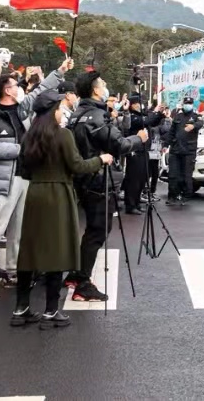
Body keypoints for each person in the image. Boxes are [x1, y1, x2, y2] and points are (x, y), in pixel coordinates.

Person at [12, 91, 113, 328]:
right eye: (59, 107)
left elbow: (24, 170)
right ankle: (50, 312)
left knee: (30, 250)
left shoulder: (29, 136)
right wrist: (102, 159)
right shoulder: (63, 135)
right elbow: (78, 166)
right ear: (52, 111)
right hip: (58, 194)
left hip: (35, 193)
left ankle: (21, 308)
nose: (62, 111)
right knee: (56, 251)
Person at [0, 59, 69, 295]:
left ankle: (13, 270)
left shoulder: (21, 109)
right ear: (7, 90)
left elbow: (40, 92)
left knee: (19, 228)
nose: (20, 88)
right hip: (2, 181)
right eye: (15, 85)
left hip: (23, 177)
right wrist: (21, 149)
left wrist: (60, 71)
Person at [66, 71, 147, 301]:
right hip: (99, 179)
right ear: (95, 89)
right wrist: (139, 139)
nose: (105, 87)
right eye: (102, 84)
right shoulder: (96, 116)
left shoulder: (76, 114)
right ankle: (83, 282)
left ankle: (75, 274)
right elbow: (118, 144)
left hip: (83, 177)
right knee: (98, 231)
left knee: (91, 229)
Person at [122, 93, 163, 214]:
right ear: (133, 105)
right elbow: (148, 120)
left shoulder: (141, 115)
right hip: (135, 151)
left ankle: (136, 202)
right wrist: (156, 114)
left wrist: (160, 114)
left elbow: (152, 121)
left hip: (144, 150)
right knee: (133, 179)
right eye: (138, 104)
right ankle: (130, 205)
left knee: (142, 178)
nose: (141, 106)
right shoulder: (132, 117)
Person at [164, 96, 202, 206]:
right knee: (173, 175)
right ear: (183, 104)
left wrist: (193, 126)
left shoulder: (195, 117)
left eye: (189, 103)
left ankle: (186, 196)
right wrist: (166, 144)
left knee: (186, 175)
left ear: (192, 105)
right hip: (176, 150)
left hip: (189, 151)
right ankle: (172, 196)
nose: (188, 105)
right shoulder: (178, 116)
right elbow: (171, 132)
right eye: (186, 103)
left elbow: (200, 123)